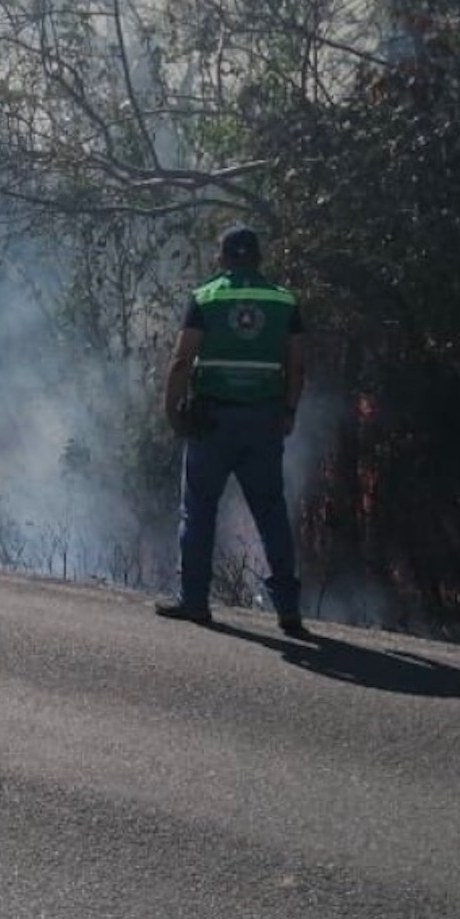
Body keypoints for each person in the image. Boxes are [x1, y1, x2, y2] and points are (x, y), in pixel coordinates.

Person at [155, 224, 311, 639]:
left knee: (200, 509)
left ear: (222, 258)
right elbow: (297, 364)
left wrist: (171, 411)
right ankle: (289, 610)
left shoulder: (206, 297)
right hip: (264, 420)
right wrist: (290, 410)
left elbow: (181, 360)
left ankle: (194, 601)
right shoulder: (284, 300)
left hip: (212, 420)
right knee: (271, 512)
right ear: (258, 259)